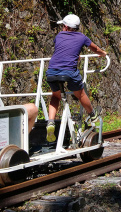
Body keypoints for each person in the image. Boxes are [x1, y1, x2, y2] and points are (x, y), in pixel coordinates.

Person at [45, 14, 107, 142]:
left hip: (51, 71)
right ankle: (92, 115)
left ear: (66, 27)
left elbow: (63, 50)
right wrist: (103, 53)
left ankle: (51, 122)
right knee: (81, 94)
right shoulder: (82, 37)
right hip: (69, 72)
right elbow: (94, 48)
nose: (62, 28)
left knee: (55, 96)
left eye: (63, 26)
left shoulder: (59, 36)